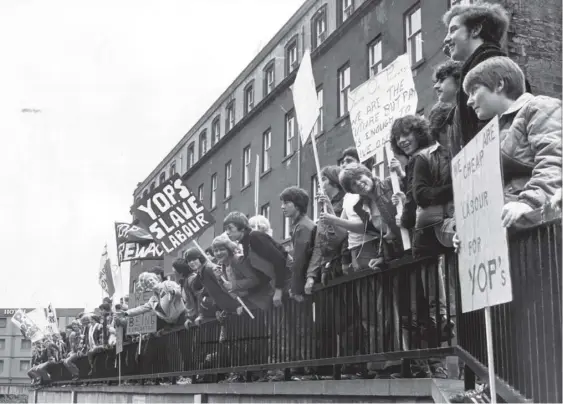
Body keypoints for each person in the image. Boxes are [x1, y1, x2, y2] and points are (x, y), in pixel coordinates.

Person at [463, 56, 562, 227]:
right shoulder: (493, 133)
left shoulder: (539, 107)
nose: (469, 101)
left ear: (499, 85)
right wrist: (470, 229)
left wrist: (529, 203)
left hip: (537, 226)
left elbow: (553, 161)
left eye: (474, 90)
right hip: (511, 230)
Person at [442, 2, 530, 155]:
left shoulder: (491, 66)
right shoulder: (483, 67)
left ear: (476, 29)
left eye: (453, 30)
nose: (446, 39)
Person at [224, 212, 290, 307]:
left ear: (242, 228)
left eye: (230, 228)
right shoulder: (246, 244)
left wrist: (278, 290)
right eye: (226, 229)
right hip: (279, 284)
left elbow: (279, 260)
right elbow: (260, 275)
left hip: (288, 280)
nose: (227, 232)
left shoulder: (255, 237)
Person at [306, 165, 348, 293]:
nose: (319, 182)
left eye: (323, 179)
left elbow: (345, 233)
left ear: (334, 181)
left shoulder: (346, 201)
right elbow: (320, 243)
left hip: (342, 265)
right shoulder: (323, 208)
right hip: (328, 268)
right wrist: (311, 275)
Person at [280, 186, 316, 300]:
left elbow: (300, 259)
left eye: (286, 203)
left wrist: (295, 288)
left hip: (307, 286)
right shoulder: (302, 225)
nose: (282, 207)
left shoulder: (302, 227)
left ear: (297, 204)